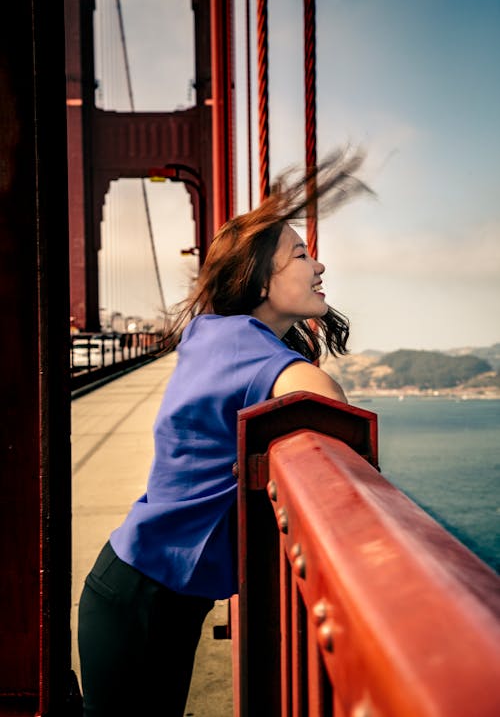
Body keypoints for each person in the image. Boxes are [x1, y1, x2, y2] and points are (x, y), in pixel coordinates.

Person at [77, 148, 371, 716]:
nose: (320, 266)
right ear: (261, 278)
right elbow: (330, 406)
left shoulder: (215, 333)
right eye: (302, 253)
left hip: (144, 591)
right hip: (143, 599)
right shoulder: (239, 344)